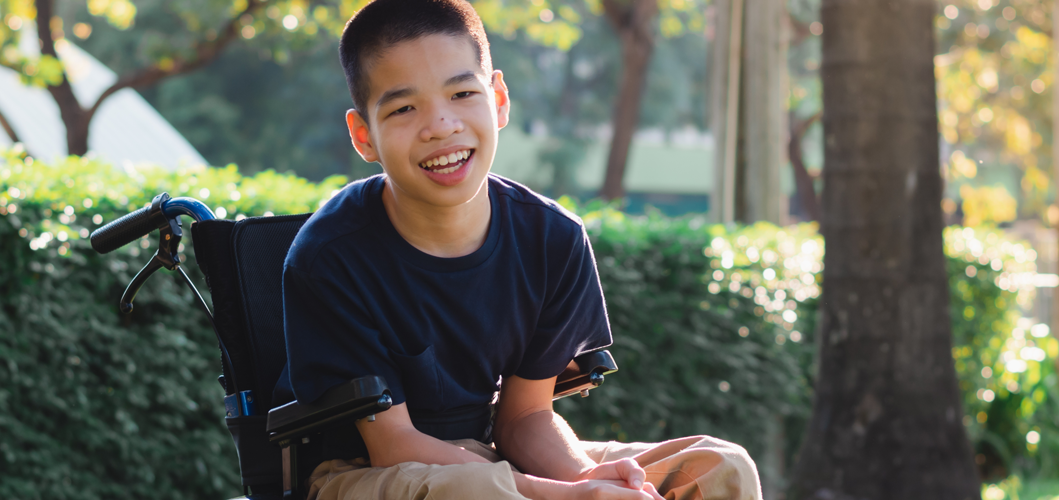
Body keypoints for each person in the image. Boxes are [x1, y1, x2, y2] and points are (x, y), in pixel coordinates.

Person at [274, 1, 762, 498]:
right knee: (475, 492)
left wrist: (582, 477)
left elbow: (525, 417)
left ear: (499, 99)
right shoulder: (331, 256)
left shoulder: (553, 239)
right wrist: (563, 495)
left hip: (496, 458)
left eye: (462, 93)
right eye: (403, 108)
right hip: (366, 474)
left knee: (721, 466)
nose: (441, 125)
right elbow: (393, 445)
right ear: (364, 136)